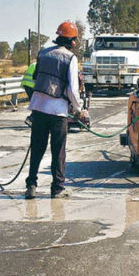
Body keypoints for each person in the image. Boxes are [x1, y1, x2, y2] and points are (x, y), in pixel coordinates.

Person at [25, 21, 84, 199]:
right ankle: (57, 188)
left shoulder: (43, 53)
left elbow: (36, 79)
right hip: (58, 111)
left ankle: (31, 186)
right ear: (72, 41)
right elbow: (73, 89)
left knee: (37, 148)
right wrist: (78, 109)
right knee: (58, 151)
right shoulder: (70, 59)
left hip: (38, 108)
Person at [21, 61, 37, 126]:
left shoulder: (33, 64)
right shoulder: (39, 65)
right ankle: (31, 118)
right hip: (32, 86)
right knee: (37, 104)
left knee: (35, 103)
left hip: (26, 85)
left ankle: (33, 118)